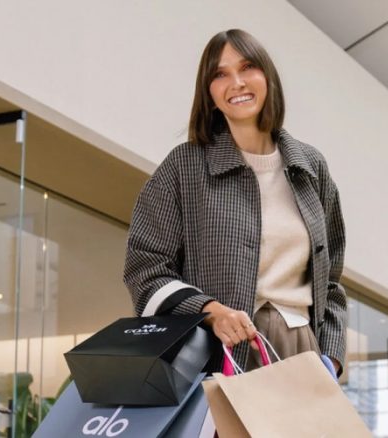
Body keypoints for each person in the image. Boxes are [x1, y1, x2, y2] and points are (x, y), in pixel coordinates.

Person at [124, 29, 347, 374]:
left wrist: (330, 358)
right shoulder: (185, 167)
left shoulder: (310, 167)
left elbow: (331, 281)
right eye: (220, 74)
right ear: (209, 94)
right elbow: (145, 269)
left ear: (267, 77)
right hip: (220, 353)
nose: (237, 83)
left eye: (247, 68)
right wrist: (211, 311)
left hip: (303, 351)